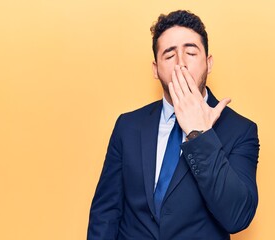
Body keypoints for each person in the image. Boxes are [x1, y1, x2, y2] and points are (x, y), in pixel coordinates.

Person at [87, 10, 259, 240]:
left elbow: (237, 217)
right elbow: (105, 213)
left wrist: (200, 135)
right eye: (169, 55)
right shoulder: (127, 126)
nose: (180, 63)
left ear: (208, 63)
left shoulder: (240, 130)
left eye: (190, 52)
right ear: (155, 69)